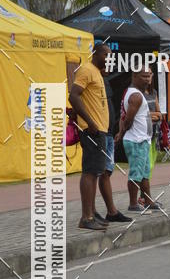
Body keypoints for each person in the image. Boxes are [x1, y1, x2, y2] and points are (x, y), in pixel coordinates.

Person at [69, 43, 112, 231]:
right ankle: (86, 218)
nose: (108, 58)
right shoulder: (86, 70)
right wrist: (90, 121)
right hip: (91, 129)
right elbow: (74, 96)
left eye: (110, 56)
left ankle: (92, 213)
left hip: (99, 129)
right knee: (89, 172)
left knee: (95, 172)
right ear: (95, 54)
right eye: (105, 55)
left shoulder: (97, 72)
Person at [115, 67, 161, 213]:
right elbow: (127, 120)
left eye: (149, 76)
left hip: (143, 140)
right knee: (136, 174)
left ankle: (148, 200)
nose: (147, 79)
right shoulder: (136, 96)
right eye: (144, 76)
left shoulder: (136, 93)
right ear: (134, 76)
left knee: (145, 174)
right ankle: (133, 204)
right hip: (136, 140)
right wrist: (121, 133)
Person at [94, 72, 130, 224]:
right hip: (99, 132)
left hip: (108, 132)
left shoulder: (105, 81)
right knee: (96, 172)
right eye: (105, 61)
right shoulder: (90, 77)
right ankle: (90, 212)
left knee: (107, 171)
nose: (108, 64)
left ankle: (112, 212)